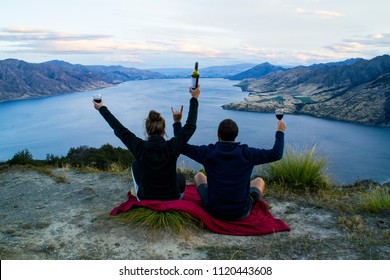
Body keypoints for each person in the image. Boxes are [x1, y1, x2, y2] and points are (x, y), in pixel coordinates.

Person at [93, 86, 200, 201]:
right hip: (172, 198)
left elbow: (119, 128)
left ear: (147, 130)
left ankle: (141, 194)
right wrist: (194, 98)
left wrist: (101, 108)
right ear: (163, 130)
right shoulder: (172, 147)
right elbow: (190, 126)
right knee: (180, 179)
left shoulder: (139, 147)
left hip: (146, 198)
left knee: (135, 165)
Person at [173, 117, 286, 221]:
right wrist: (280, 131)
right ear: (236, 134)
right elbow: (276, 154)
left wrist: (177, 123)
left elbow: (182, 146)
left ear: (218, 135)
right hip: (240, 212)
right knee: (259, 181)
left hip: (213, 210)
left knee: (199, 176)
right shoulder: (247, 153)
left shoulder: (208, 152)